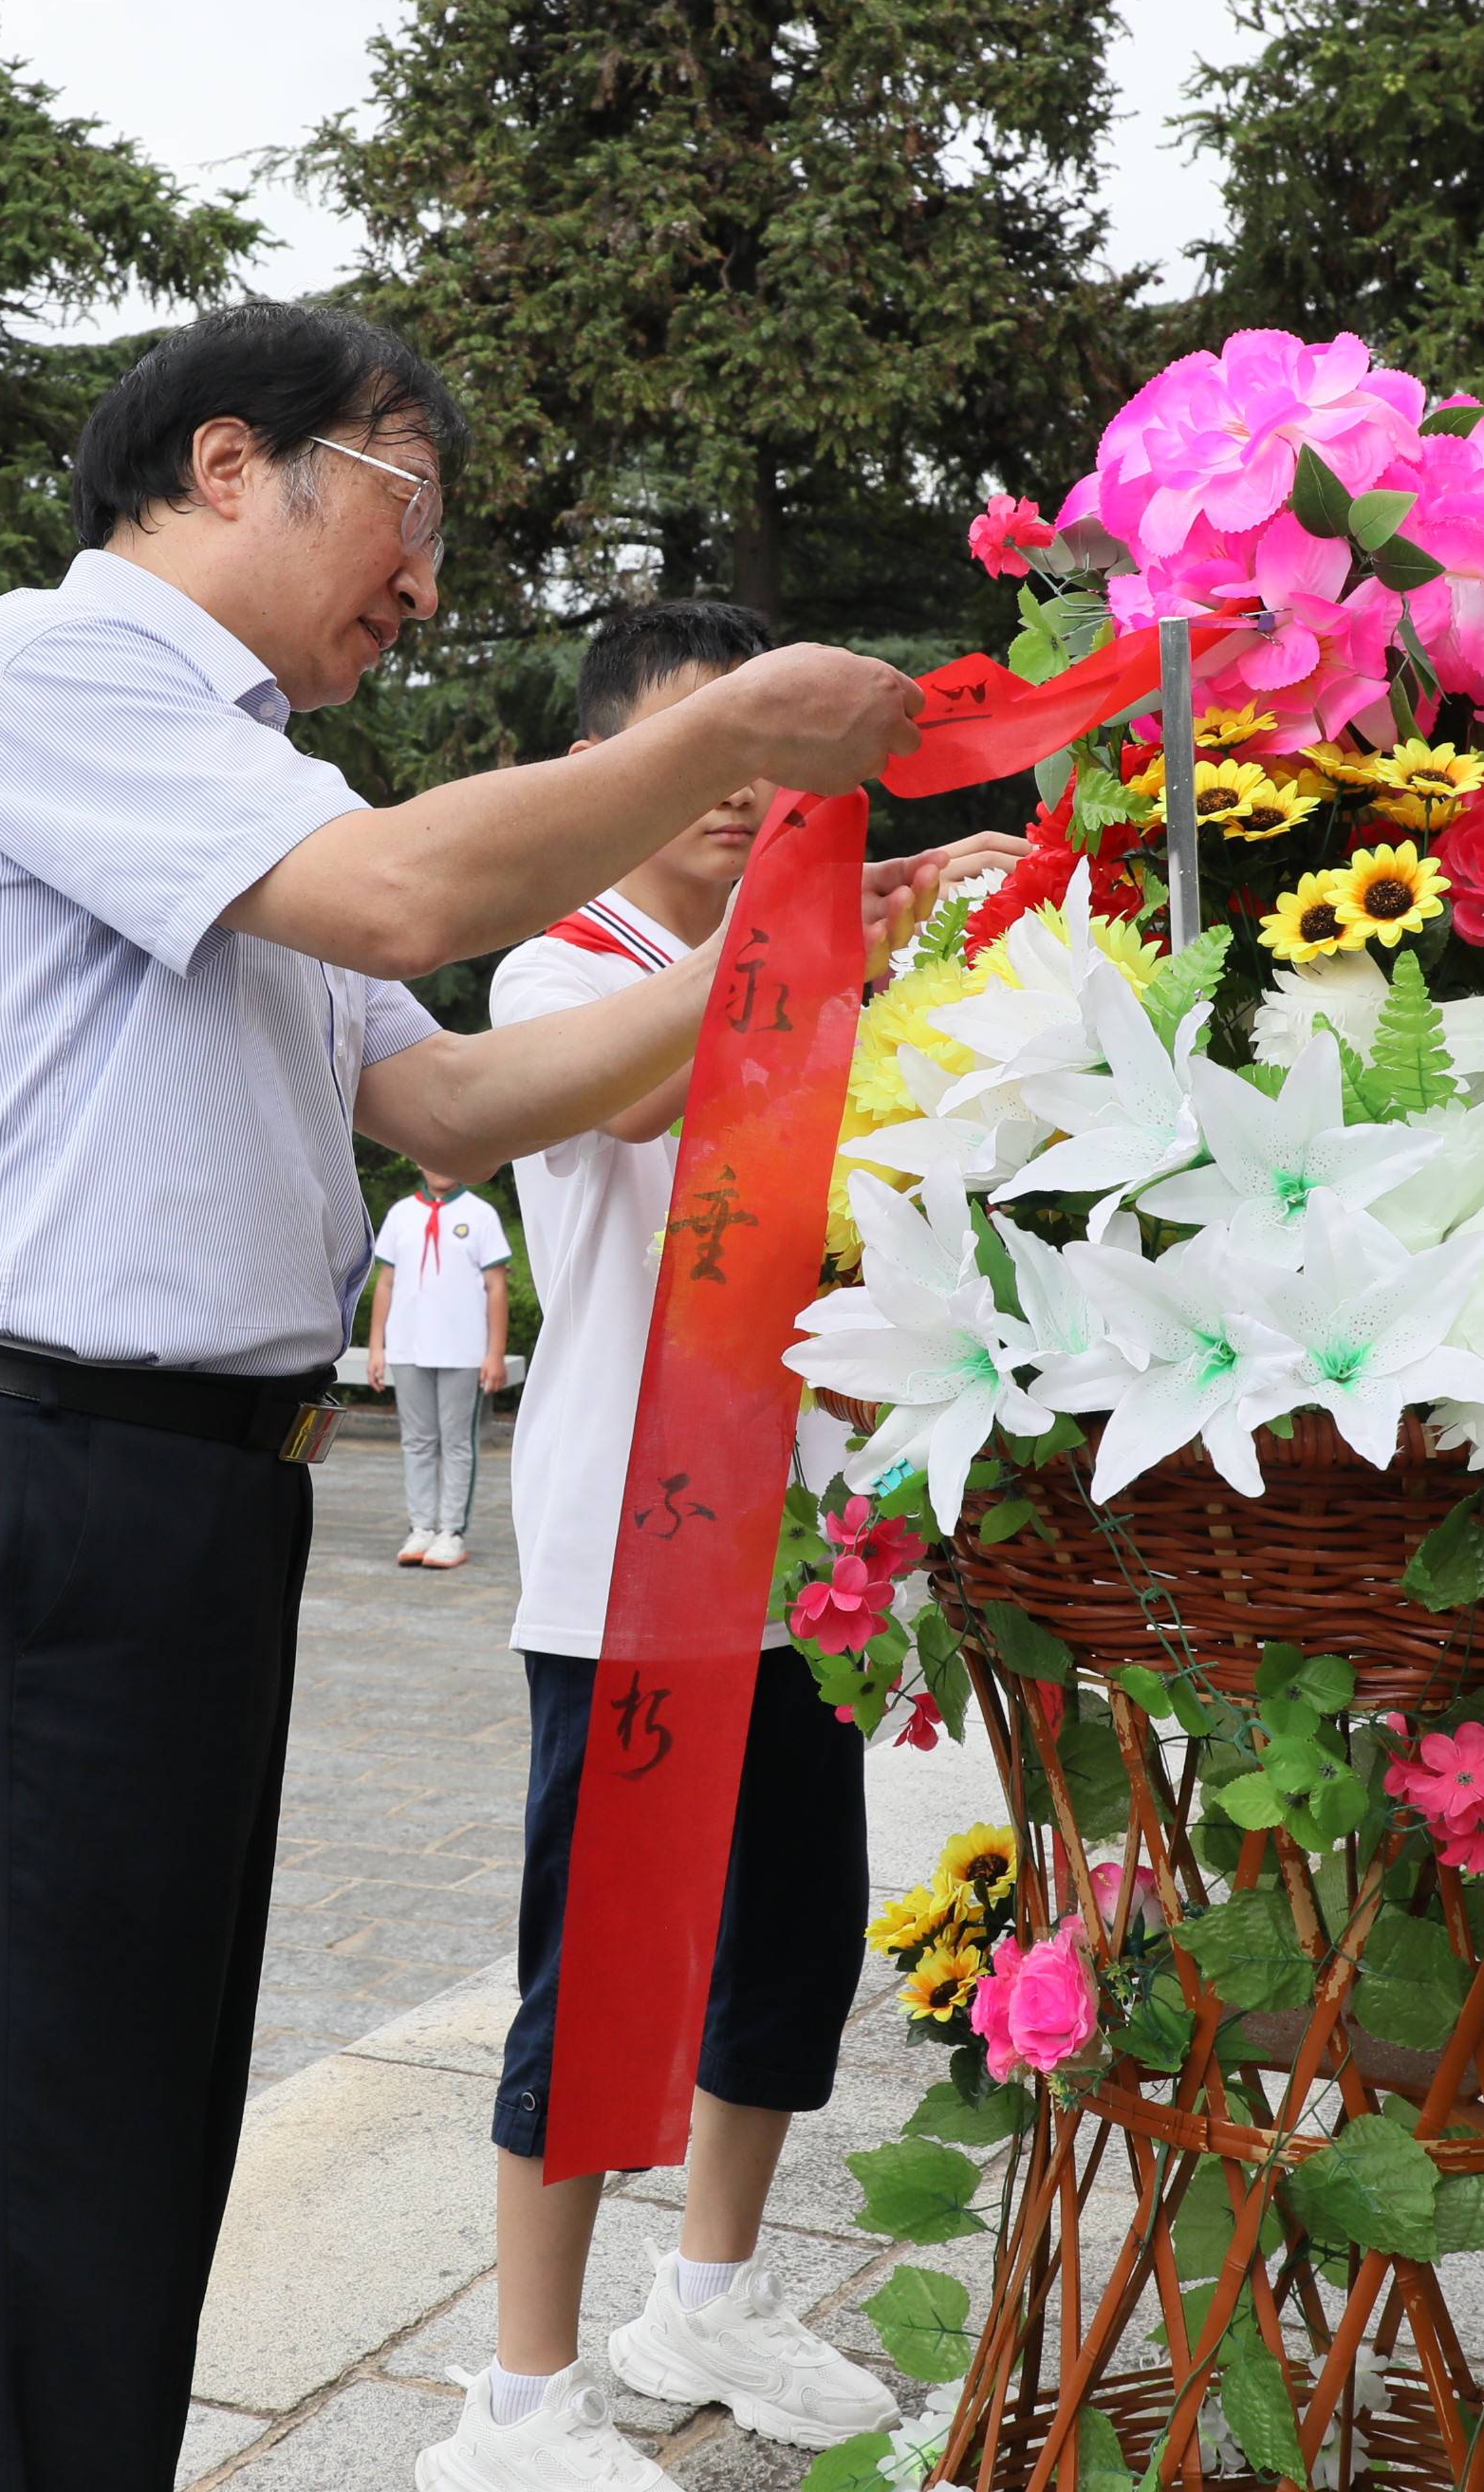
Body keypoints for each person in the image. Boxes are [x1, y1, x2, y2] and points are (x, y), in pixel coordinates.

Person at [0, 301, 939, 2492]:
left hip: (174, 1499)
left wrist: (778, 964)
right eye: (408, 509)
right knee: (50, 2149)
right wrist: (730, 744)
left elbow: (450, 1100)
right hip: (14, 1470)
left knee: (128, 2133)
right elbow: (419, 889)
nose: (420, 590)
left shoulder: (249, 793)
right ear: (233, 464)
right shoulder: (51, 670)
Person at [433, 600, 1012, 2486]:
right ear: (622, 769)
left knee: (786, 1954)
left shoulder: (833, 948)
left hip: (803, 1565)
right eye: (707, 753)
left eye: (780, 759)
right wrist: (859, 922)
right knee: (600, 1982)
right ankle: (518, 2401)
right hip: (630, 1573)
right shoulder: (555, 973)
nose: (746, 793)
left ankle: (712, 2297)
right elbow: (674, 1081)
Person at [364, 1168, 513, 1569]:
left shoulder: (479, 1214)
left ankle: (451, 1530)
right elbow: (386, 1283)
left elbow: (496, 1286)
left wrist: (494, 1352)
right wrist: (377, 1346)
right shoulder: (400, 1214)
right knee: (417, 1439)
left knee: (457, 1441)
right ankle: (422, 1526)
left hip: (462, 1349)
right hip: (408, 1346)